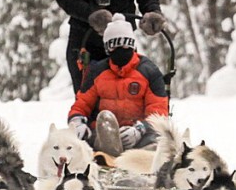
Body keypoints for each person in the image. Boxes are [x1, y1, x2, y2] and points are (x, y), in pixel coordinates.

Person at [68, 13, 169, 156]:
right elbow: (82, 103)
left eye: (125, 45)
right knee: (102, 123)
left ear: (132, 46)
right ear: (108, 49)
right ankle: (111, 154)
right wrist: (77, 122)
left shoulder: (148, 71)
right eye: (115, 46)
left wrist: (140, 129)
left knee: (157, 141)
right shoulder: (97, 72)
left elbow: (158, 110)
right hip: (104, 133)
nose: (121, 50)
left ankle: (140, 158)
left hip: (140, 133)